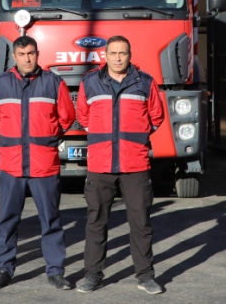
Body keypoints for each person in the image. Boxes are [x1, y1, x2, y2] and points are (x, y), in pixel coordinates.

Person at [0, 35, 76, 291]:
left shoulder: (53, 83)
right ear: (14, 56)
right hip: (12, 165)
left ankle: (55, 271)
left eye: (31, 53)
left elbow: (67, 117)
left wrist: (49, 138)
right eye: (22, 54)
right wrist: (8, 140)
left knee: (51, 220)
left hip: (43, 165)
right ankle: (3, 269)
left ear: (37, 54)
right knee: (8, 220)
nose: (27, 59)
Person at [75, 35, 166, 295]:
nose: (117, 58)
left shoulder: (145, 82)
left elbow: (156, 117)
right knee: (96, 222)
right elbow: (83, 117)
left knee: (141, 223)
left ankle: (145, 277)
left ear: (130, 55)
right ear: (105, 55)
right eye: (113, 53)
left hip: (135, 163)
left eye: (122, 53)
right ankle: (92, 276)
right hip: (100, 164)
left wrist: (135, 139)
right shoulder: (90, 82)